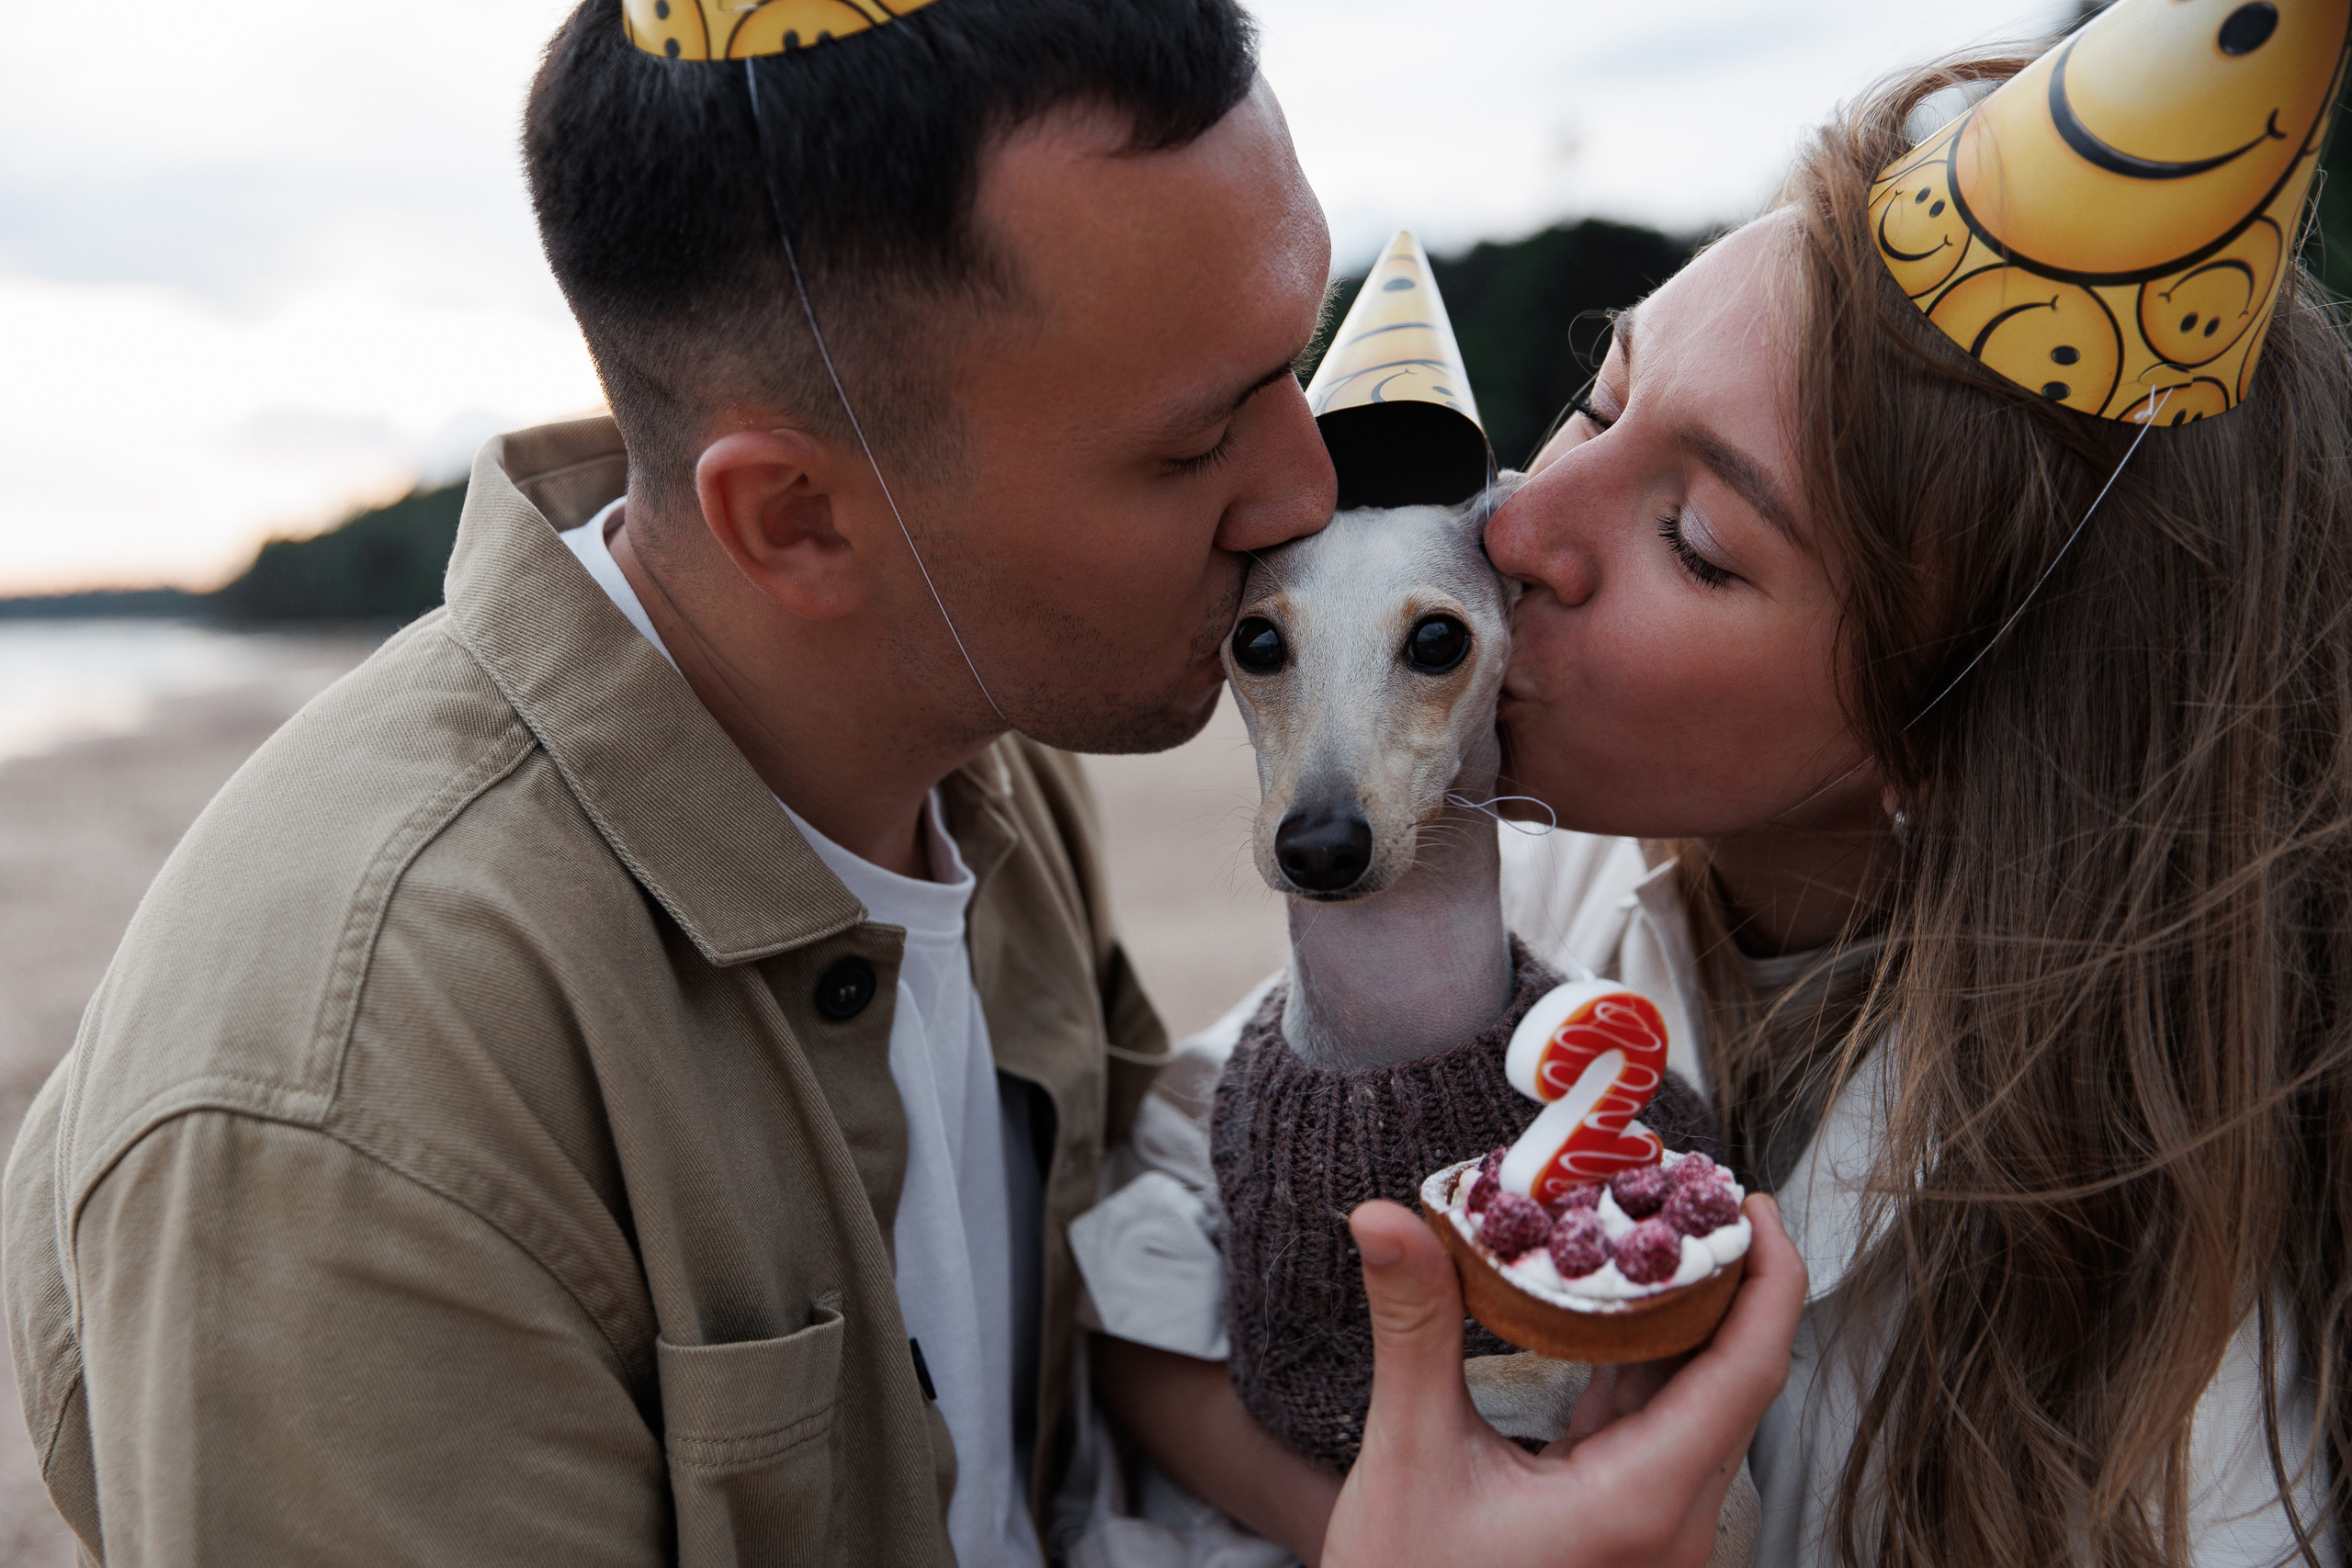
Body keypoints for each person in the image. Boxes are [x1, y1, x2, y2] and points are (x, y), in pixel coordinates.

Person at [0, 1, 1808, 1563]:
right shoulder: (347, 1119)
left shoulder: (987, 746)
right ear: (795, 519)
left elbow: (1099, 1304)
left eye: (1291, 370)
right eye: (1196, 438)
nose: (1296, 495)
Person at [1091, 6, 2352, 1565]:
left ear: (1946, 733)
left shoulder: (2201, 1425)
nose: (1519, 520)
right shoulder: (1524, 861)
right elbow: (1147, 1253)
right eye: (1600, 402)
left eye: (1695, 540)